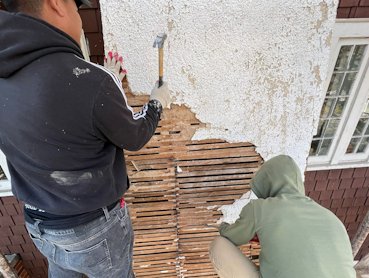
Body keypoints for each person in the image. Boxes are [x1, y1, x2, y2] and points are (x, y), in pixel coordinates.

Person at [0, 0, 171, 277]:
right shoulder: (90, 80)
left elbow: (50, 118)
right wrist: (156, 104)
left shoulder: (5, 74)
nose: (79, 20)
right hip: (93, 230)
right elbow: (135, 136)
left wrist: (103, 95)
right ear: (56, 4)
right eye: (78, 10)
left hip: (39, 225)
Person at [210, 155, 356, 278]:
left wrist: (223, 226)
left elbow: (232, 236)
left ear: (266, 184)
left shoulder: (260, 208)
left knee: (220, 244)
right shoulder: (330, 217)